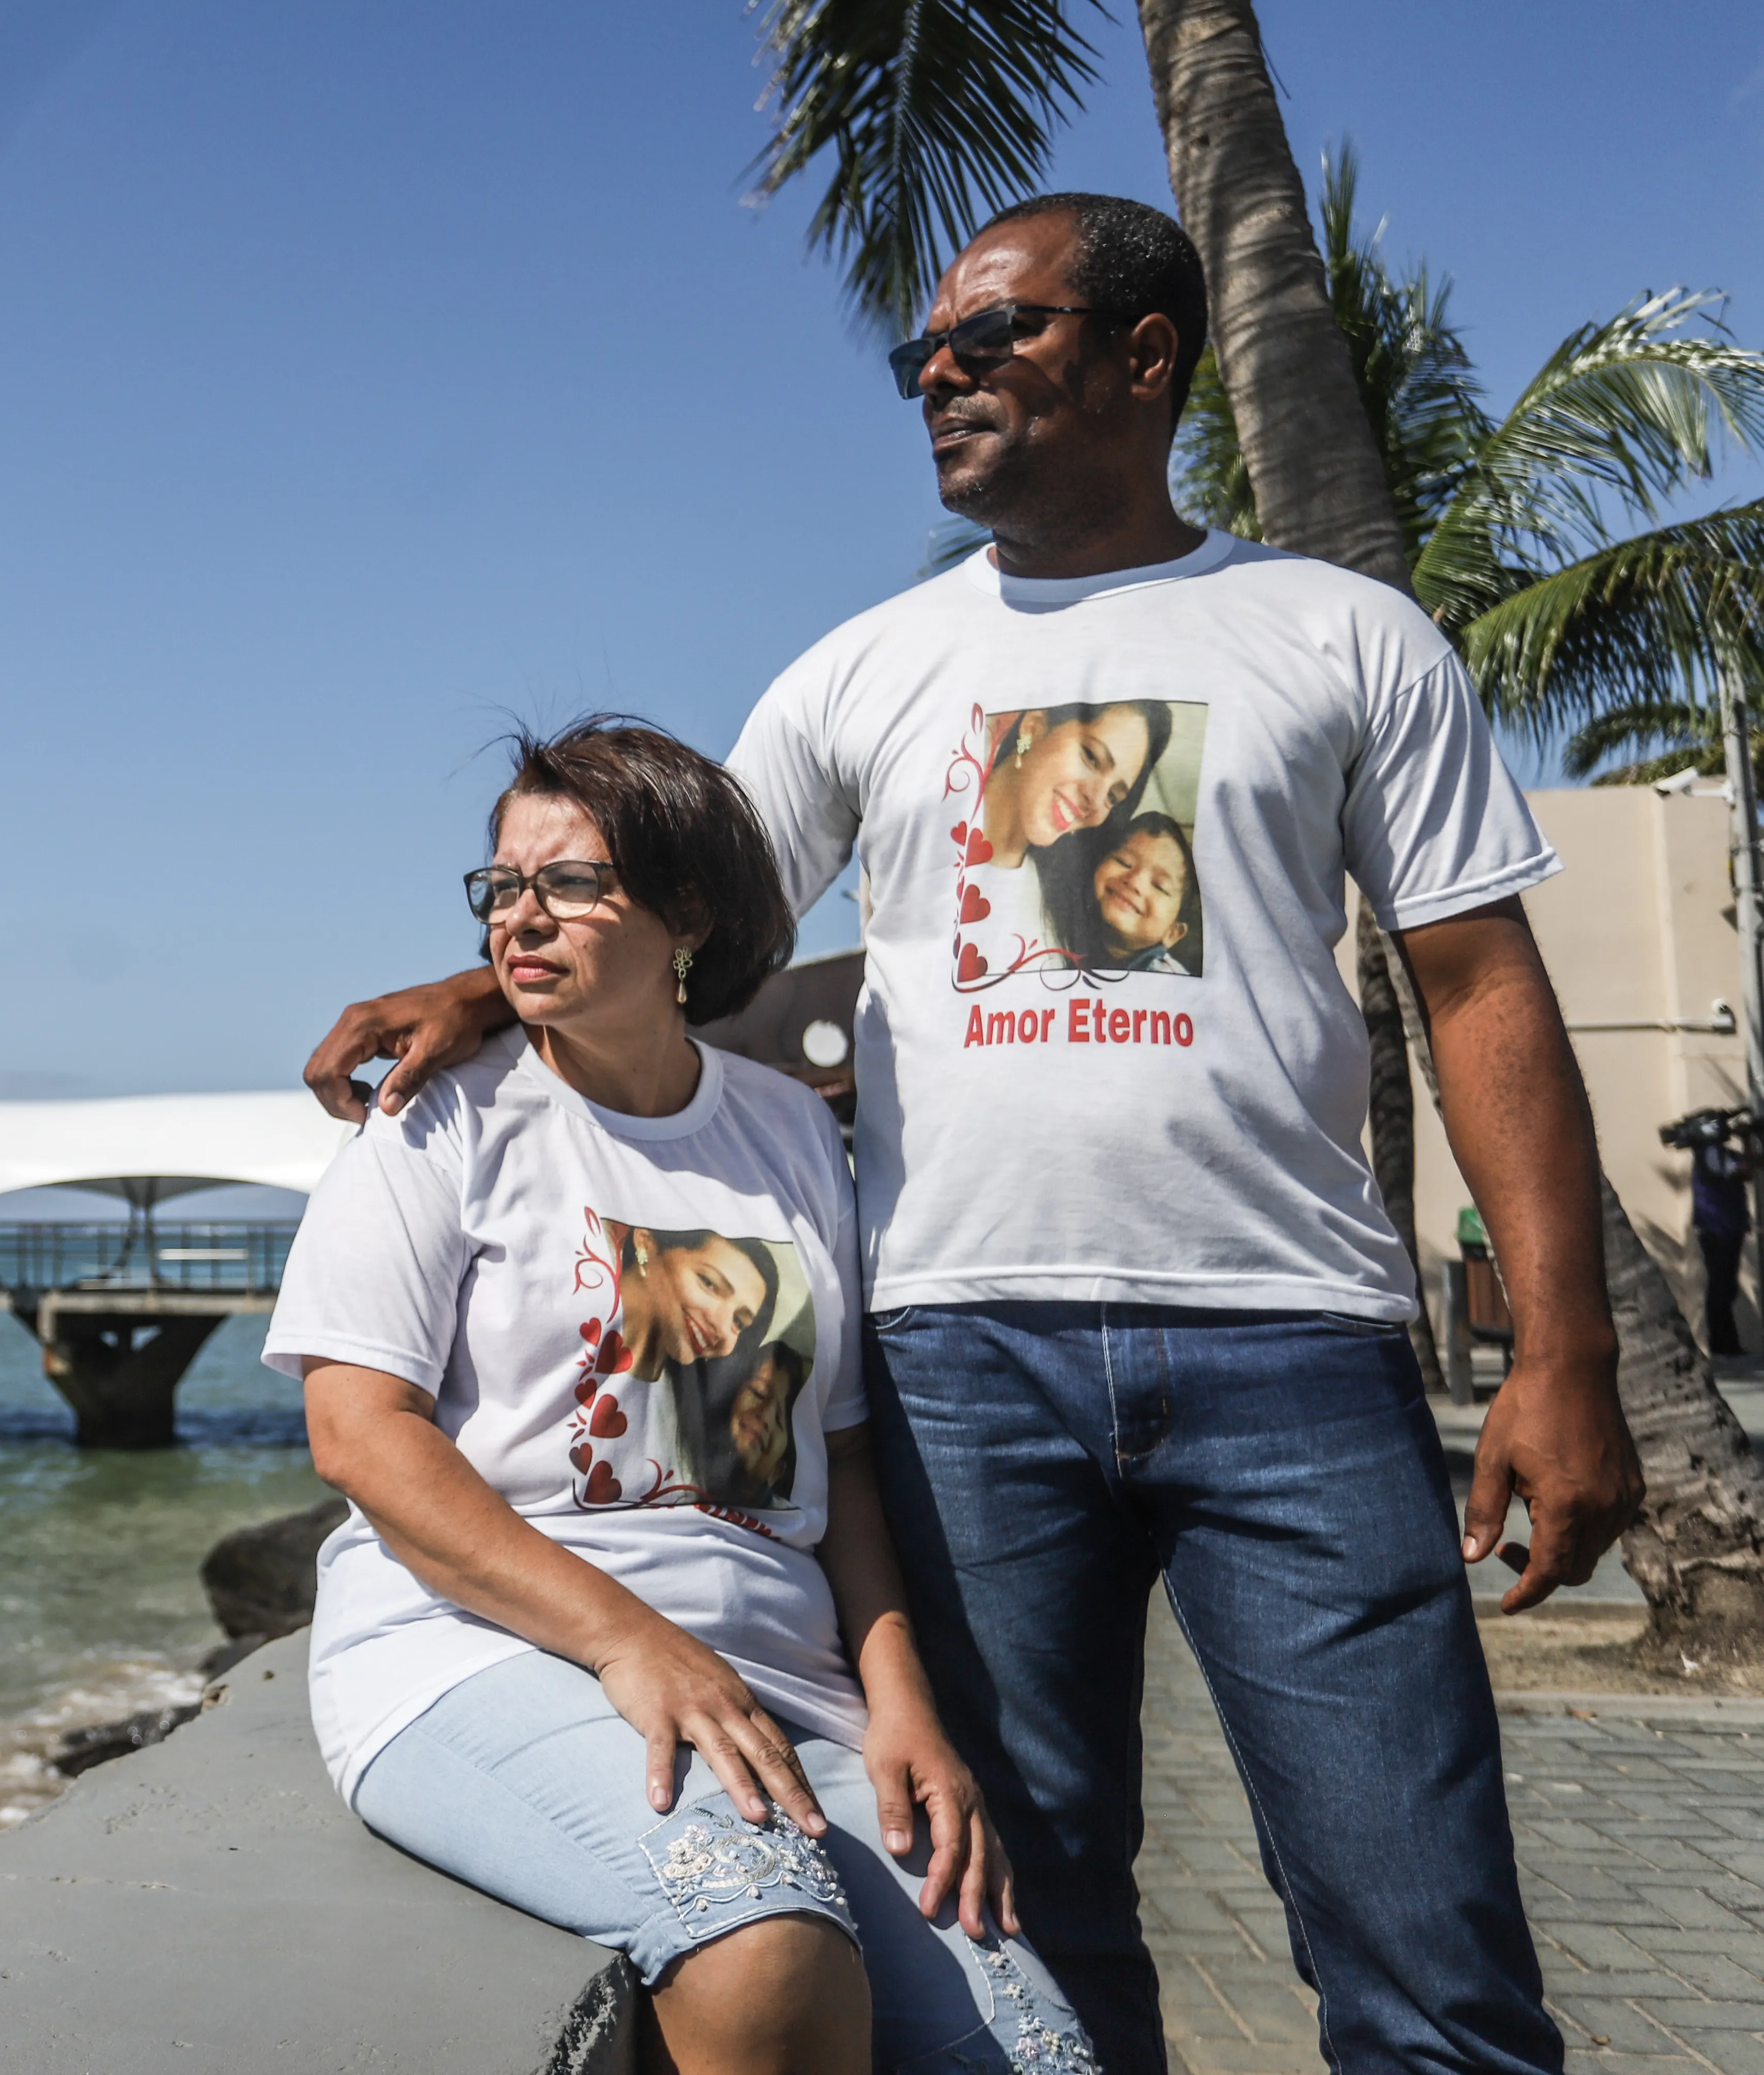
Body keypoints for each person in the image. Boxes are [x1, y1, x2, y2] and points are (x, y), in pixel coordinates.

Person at [302, 193, 1643, 2075]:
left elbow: (1478, 985)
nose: (935, 373)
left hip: (1293, 1345)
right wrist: (475, 994)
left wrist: (1558, 1349)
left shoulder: (1342, 635)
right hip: (954, 1361)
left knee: (1423, 1927)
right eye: (918, 353)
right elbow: (671, 909)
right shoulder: (862, 671)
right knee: (1036, 1896)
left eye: (989, 337)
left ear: (1144, 356)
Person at [273, 720, 1092, 2075]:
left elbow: (834, 1477)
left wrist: (901, 1707)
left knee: (1038, 2055)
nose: (516, 918)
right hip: (481, 1652)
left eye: (567, 883)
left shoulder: (784, 1132)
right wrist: (623, 1641)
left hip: (773, 1686)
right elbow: (356, 1433)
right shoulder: (438, 1120)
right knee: (763, 1946)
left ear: (686, 916)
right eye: (499, 887)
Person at [965, 702, 1168, 974]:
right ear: (1034, 726)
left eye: (1112, 797)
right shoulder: (935, 824)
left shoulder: (1060, 923)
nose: (1095, 801)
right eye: (1091, 757)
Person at [1080, 813, 1198, 975]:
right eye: (1124, 862)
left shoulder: (1168, 984)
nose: (1135, 881)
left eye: (1159, 886)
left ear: (1173, 933)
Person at [1690, 1125, 1751, 1360]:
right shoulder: (1710, 1154)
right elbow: (1744, 1171)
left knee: (1726, 1287)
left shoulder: (1720, 1153)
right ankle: (1723, 1345)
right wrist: (1746, 1140)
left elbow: (1752, 1167)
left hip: (1728, 1229)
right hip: (1718, 1230)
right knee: (1721, 1288)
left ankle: (1727, 1343)